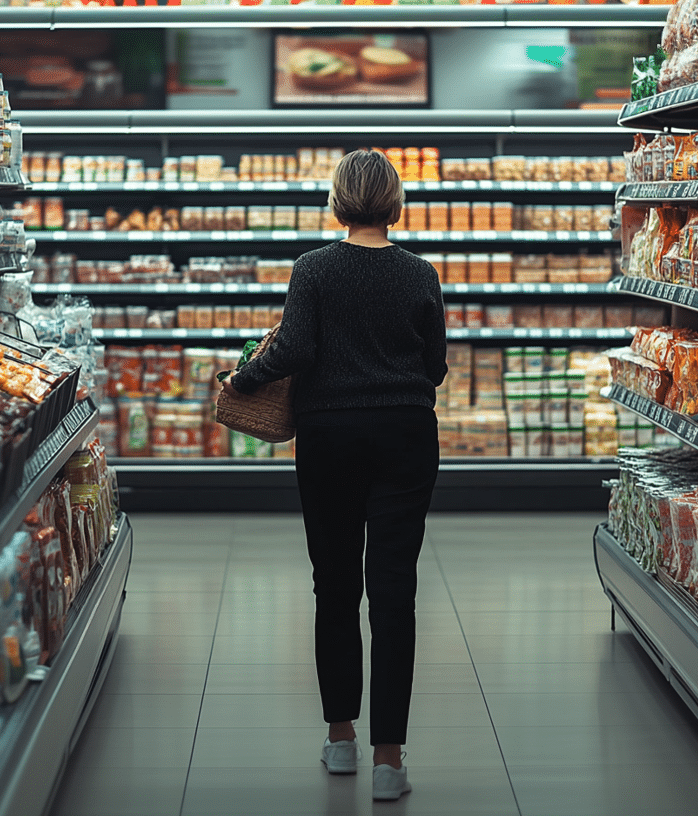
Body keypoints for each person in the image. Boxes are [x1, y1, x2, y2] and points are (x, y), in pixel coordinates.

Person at [221, 149, 446, 803]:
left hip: (331, 439)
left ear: (336, 202)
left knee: (336, 585)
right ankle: (390, 759)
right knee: (395, 592)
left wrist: (243, 378)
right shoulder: (420, 273)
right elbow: (433, 364)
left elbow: (295, 348)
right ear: (396, 203)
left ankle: (341, 739)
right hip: (407, 436)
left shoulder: (313, 269)